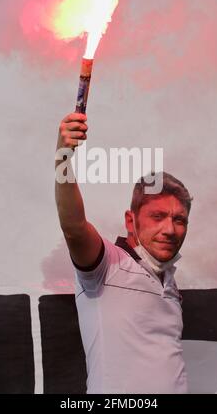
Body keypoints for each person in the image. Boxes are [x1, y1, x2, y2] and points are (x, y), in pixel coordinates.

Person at [55, 112, 193, 394]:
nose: (170, 229)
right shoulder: (107, 265)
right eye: (158, 216)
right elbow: (74, 227)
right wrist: (63, 159)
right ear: (131, 221)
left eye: (179, 220)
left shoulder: (168, 280)